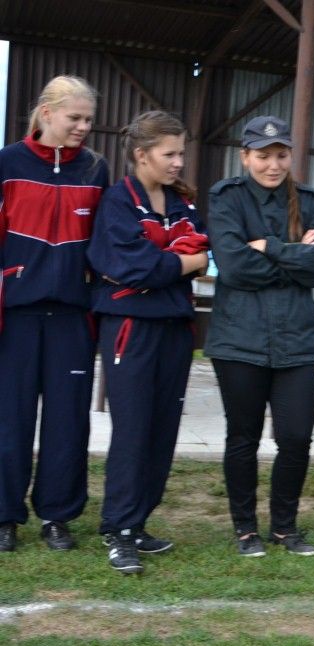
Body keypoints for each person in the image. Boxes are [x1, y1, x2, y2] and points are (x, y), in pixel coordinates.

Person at [204, 115, 314, 557]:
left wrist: (272, 247)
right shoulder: (227, 199)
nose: (273, 165)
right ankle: (245, 529)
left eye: (281, 155)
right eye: (263, 156)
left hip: (295, 342)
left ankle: (285, 527)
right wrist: (296, 255)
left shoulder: (310, 201)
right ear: (246, 157)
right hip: (238, 339)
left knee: (296, 437)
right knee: (242, 437)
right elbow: (235, 266)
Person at [87, 111, 209, 573]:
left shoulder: (181, 203)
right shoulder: (117, 203)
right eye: (170, 153)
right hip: (130, 328)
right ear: (142, 155)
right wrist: (182, 262)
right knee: (134, 428)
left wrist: (176, 260)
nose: (179, 162)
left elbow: (201, 248)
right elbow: (137, 268)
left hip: (175, 327)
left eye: (182, 152)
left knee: (162, 430)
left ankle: (137, 522)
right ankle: (117, 529)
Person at [0, 75, 109, 553]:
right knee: (10, 419)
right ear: (47, 113)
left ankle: (58, 517)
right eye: (75, 118)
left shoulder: (95, 170)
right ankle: (4, 517)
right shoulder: (6, 163)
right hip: (15, 316)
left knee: (68, 422)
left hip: (72, 317)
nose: (83, 127)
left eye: (88, 119)